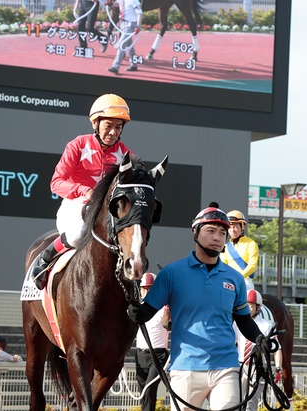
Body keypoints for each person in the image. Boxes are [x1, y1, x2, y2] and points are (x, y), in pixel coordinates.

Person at [128, 206, 271, 411]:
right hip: (185, 369)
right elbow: (147, 311)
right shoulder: (171, 274)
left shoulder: (235, 279)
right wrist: (134, 311)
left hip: (226, 368)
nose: (218, 237)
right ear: (195, 232)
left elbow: (244, 320)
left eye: (223, 233)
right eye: (211, 231)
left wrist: (259, 338)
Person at [31, 93, 133, 289]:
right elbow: (56, 183)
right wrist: (84, 191)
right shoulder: (77, 145)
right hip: (76, 205)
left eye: (118, 127)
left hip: (107, 210)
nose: (113, 132)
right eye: (108, 126)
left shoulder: (124, 153)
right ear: (95, 124)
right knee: (79, 234)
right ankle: (45, 258)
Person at [235, 290, 282, 411]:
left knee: (251, 403)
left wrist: (278, 368)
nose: (248, 308)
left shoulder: (266, 326)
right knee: (238, 402)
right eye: (246, 305)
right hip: (240, 365)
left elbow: (277, 349)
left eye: (251, 305)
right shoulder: (236, 324)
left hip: (257, 367)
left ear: (258, 307)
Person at [135, 273, 171, 411]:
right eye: (144, 288)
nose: (146, 291)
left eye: (150, 288)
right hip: (140, 354)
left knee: (149, 390)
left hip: (157, 355)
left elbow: (169, 325)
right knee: (142, 392)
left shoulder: (164, 308)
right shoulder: (138, 309)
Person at [221, 210, 259, 291]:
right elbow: (223, 266)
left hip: (245, 281)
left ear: (242, 226)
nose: (232, 230)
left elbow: (252, 266)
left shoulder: (251, 244)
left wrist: (238, 277)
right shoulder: (225, 247)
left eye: (235, 226)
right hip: (229, 281)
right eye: (230, 227)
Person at [107, 0, 142, 74]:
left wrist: (138, 26)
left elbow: (139, 13)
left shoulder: (133, 1)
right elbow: (116, 4)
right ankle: (134, 64)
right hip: (123, 24)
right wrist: (109, 3)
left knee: (121, 45)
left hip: (130, 25)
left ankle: (115, 67)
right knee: (129, 45)